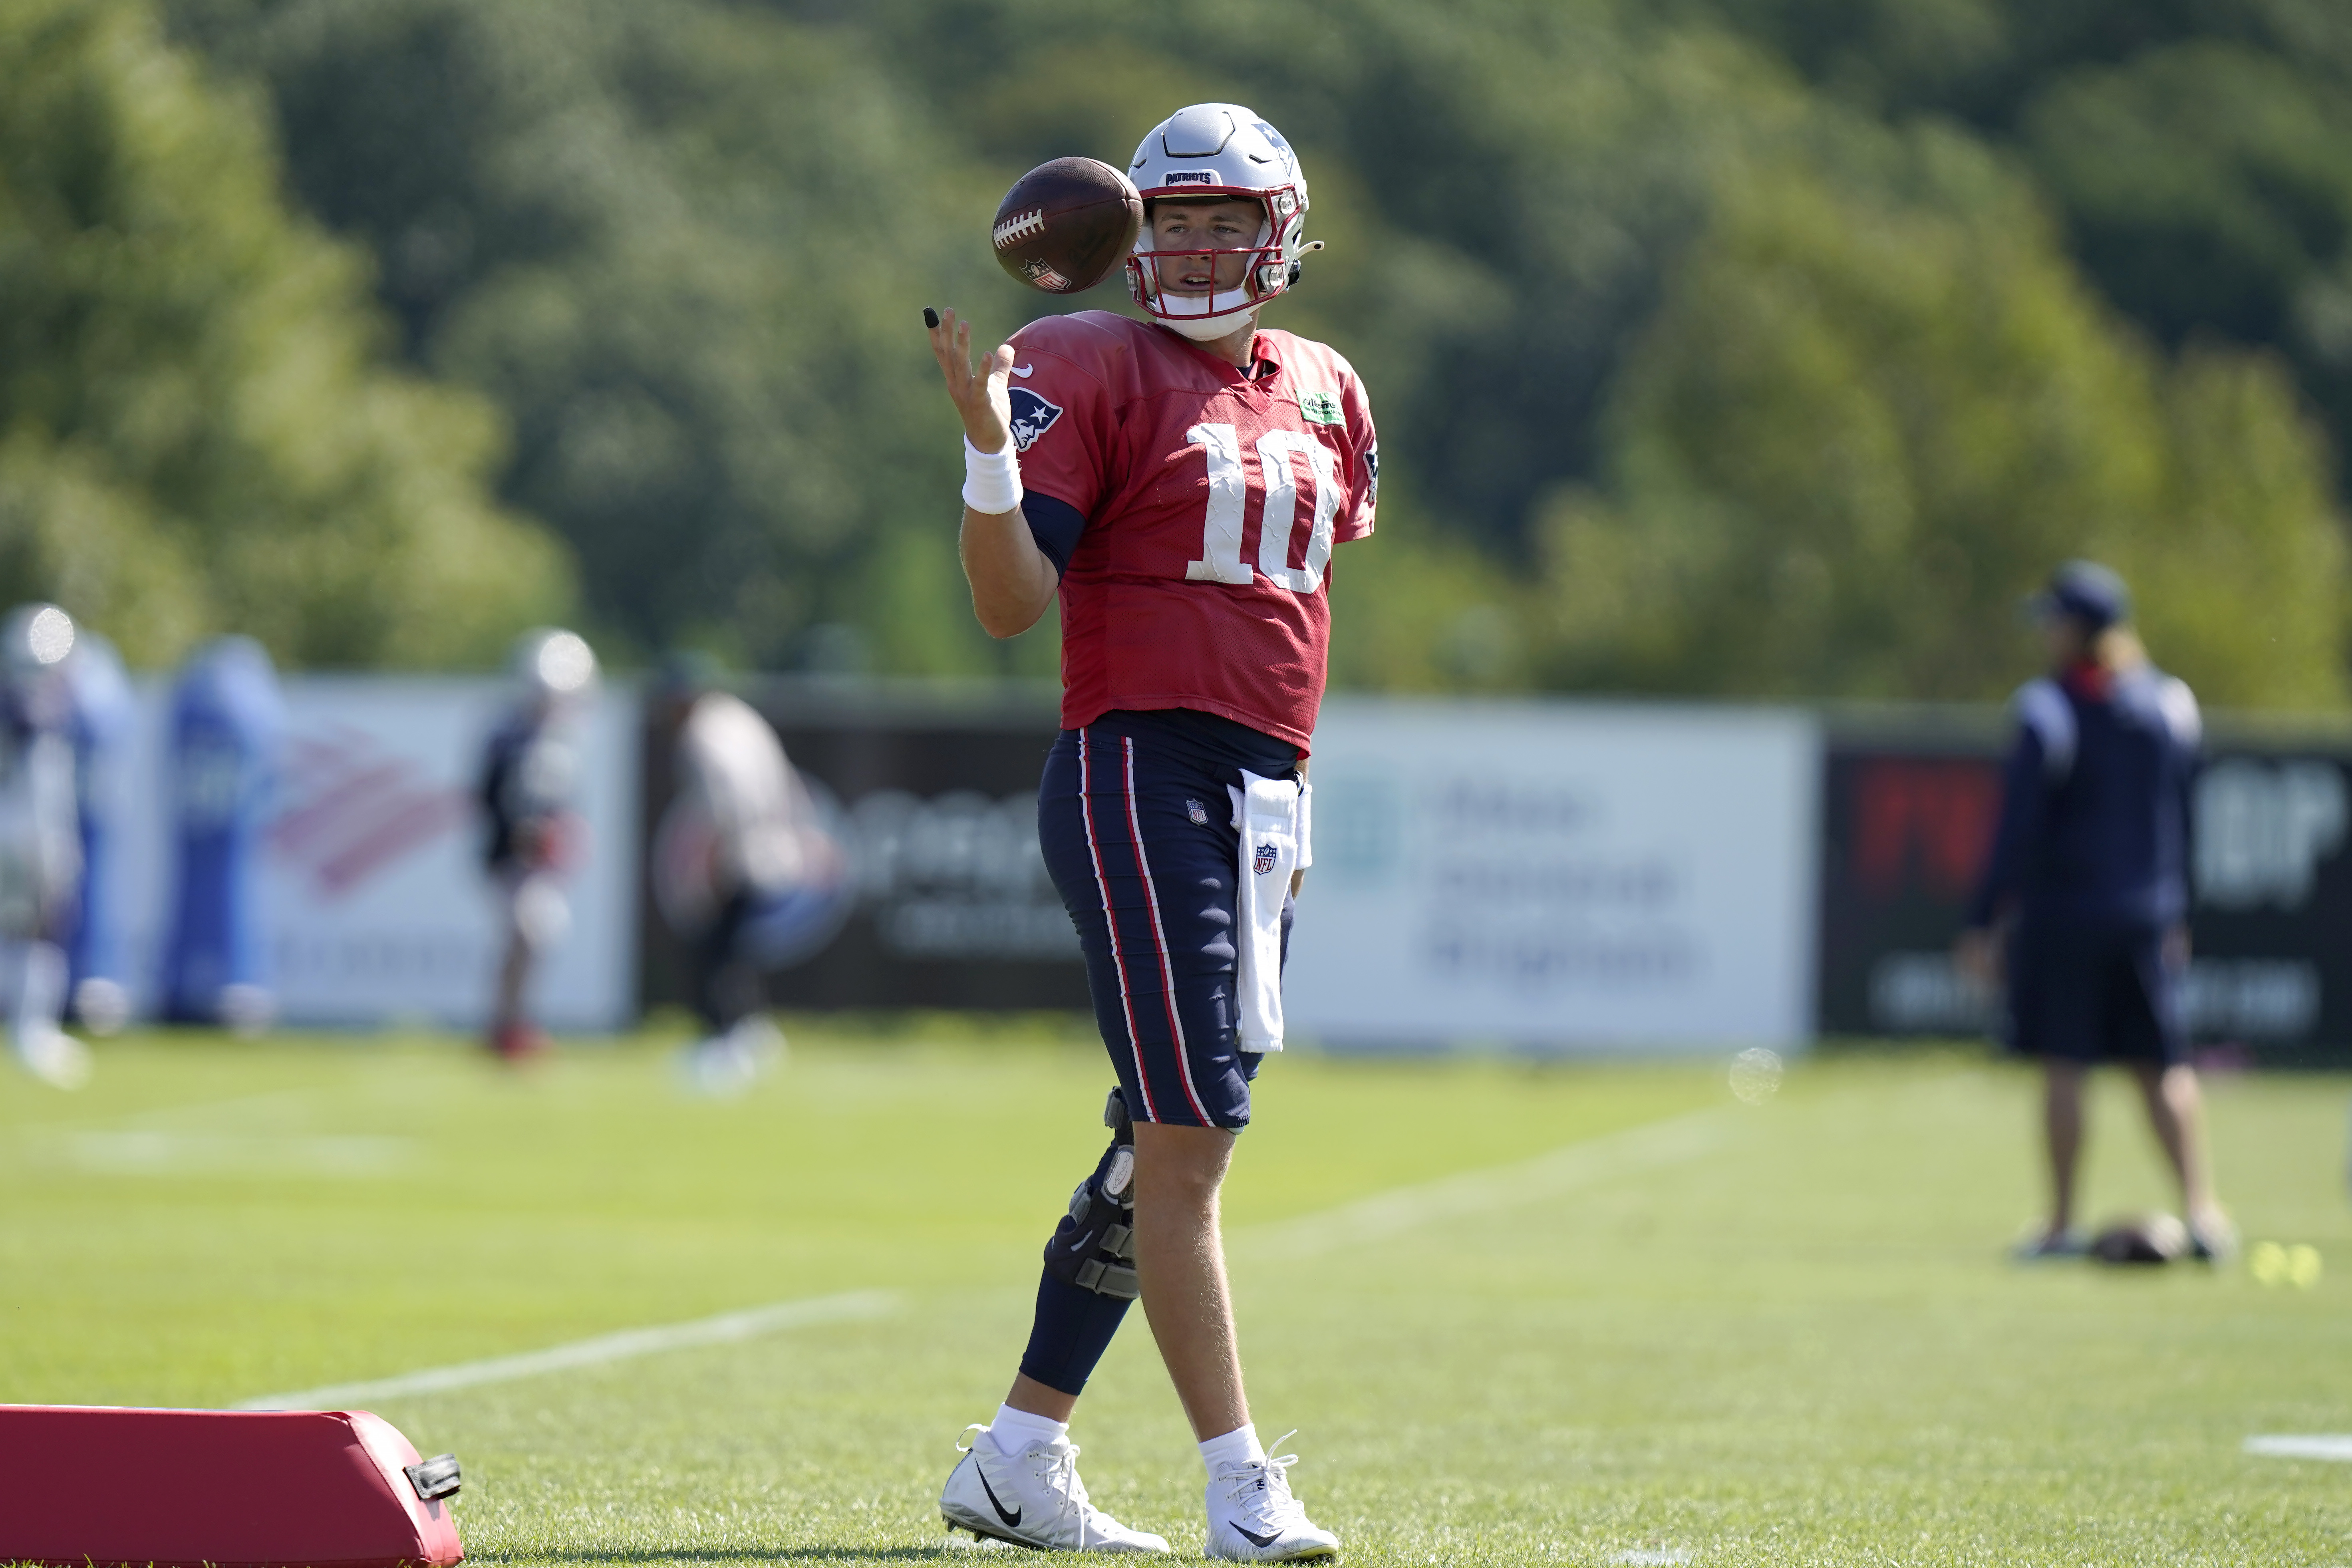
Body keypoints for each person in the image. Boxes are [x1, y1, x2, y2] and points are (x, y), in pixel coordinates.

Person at [924, 103, 1374, 1560]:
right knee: (1190, 1138)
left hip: (1265, 796)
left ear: (1278, 235)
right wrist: (991, 457)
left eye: (1222, 223)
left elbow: (1293, 599)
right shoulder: (1083, 359)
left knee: (1157, 1140)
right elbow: (1007, 605)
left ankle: (1016, 1450)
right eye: (1171, 220)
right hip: (1140, 764)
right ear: (1129, 232)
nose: (1193, 247)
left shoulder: (1324, 387)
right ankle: (1241, 1484)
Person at [1955, 561, 2231, 1261]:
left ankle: (2058, 1226)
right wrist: (2178, 912)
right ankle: (2203, 1217)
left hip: (2064, 916)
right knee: (2159, 1065)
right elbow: (2185, 823)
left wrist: (1983, 919)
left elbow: (2014, 828)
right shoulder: (2171, 704)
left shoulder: (2046, 709)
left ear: (2078, 629)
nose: (2044, 633)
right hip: (2144, 912)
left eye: (2052, 620)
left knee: (2065, 1065)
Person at [650, 664, 842, 1093]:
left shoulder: (702, 736)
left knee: (714, 951)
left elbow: (721, 805)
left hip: (739, 853)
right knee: (734, 950)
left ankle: (726, 1044)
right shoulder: (738, 717)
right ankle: (748, 1034)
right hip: (772, 846)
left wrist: (710, 865)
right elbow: (785, 781)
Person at [477, 627, 599, 1061]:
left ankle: (514, 1021)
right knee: (525, 934)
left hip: (543, 862)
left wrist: (563, 833)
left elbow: (561, 801)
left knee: (536, 937)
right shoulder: (509, 735)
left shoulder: (562, 737)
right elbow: (491, 800)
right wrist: (520, 835)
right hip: (512, 858)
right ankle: (506, 1023)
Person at [0, 604, 90, 1088]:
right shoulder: (25, 703)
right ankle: (29, 1032)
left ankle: (31, 1030)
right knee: (39, 930)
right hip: (26, 832)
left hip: (28, 829)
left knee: (34, 932)